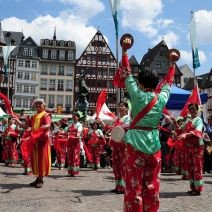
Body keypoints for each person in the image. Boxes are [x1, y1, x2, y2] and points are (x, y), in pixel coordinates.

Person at [119, 51, 178, 211]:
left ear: (141, 84)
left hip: (135, 145)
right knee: (152, 186)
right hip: (154, 145)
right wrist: (171, 64)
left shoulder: (136, 95)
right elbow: (169, 83)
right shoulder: (161, 98)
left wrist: (125, 52)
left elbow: (126, 72)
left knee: (133, 185)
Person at [14, 99, 52, 188]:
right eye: (36, 105)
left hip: (42, 141)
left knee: (41, 159)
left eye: (40, 104)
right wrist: (18, 121)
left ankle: (41, 179)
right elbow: (26, 126)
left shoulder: (46, 115)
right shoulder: (33, 116)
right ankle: (38, 178)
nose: (38, 106)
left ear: (44, 106)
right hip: (34, 140)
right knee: (35, 159)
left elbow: (48, 124)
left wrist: (45, 126)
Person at [178, 103, 204, 196]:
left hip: (197, 148)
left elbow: (198, 131)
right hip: (188, 147)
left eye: (193, 109)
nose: (191, 110)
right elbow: (181, 129)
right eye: (190, 109)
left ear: (197, 110)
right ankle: (192, 187)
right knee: (190, 168)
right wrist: (174, 122)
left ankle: (198, 189)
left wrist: (186, 134)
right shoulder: (188, 120)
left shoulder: (199, 120)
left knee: (197, 168)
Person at [66, 112, 82, 177]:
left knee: (75, 156)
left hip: (75, 142)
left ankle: (74, 172)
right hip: (70, 142)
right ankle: (70, 172)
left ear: (78, 117)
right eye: (73, 116)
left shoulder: (79, 125)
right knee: (70, 156)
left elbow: (79, 131)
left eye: (75, 116)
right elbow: (67, 131)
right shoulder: (70, 124)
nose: (74, 117)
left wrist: (78, 135)